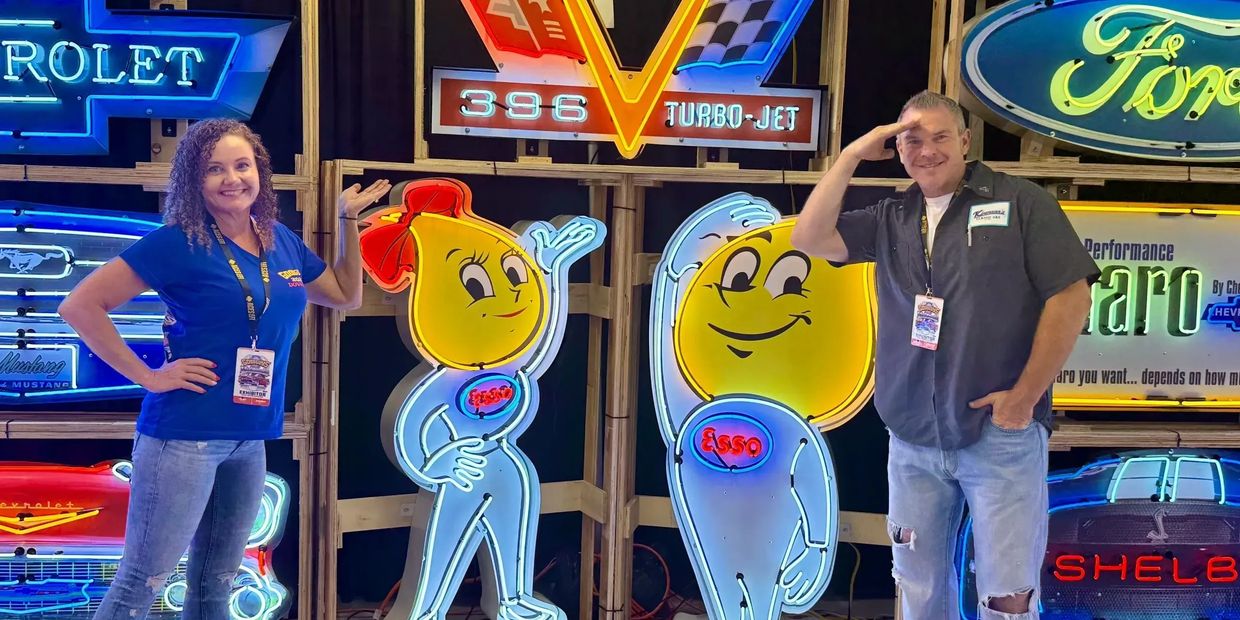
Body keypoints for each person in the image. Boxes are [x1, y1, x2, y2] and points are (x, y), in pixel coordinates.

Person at [59, 118, 390, 619]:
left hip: (248, 439)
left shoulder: (279, 239)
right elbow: (80, 306)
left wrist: (346, 222)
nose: (232, 179)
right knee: (141, 582)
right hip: (183, 437)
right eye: (214, 169)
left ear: (260, 171)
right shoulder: (177, 243)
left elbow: (345, 295)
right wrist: (149, 376)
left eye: (242, 165)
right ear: (194, 180)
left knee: (215, 582)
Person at [790, 91, 1099, 619]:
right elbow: (809, 238)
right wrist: (850, 156)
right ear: (897, 148)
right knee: (918, 585)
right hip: (912, 437)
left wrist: (1023, 398)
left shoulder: (1021, 203)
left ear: (965, 140)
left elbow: (1072, 296)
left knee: (1008, 595)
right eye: (912, 140)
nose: (927, 150)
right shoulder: (893, 215)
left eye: (939, 137)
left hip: (998, 434)